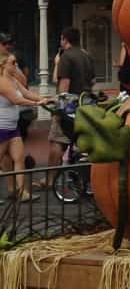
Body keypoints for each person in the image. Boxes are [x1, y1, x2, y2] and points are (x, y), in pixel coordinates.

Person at [44, 28, 95, 184]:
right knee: (80, 141)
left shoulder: (66, 57)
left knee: (58, 140)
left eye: (61, 39)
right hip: (85, 104)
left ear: (65, 39)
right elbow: (92, 82)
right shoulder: (87, 56)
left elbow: (64, 84)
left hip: (70, 106)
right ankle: (84, 178)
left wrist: (59, 108)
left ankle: (50, 180)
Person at [0, 53, 45, 202]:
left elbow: (26, 93)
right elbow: (16, 99)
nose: (15, 65)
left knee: (18, 159)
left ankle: (21, 192)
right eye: (12, 63)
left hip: (13, 128)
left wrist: (43, 99)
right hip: (1, 129)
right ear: (3, 65)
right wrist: (35, 104)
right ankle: (15, 190)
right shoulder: (1, 82)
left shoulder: (13, 80)